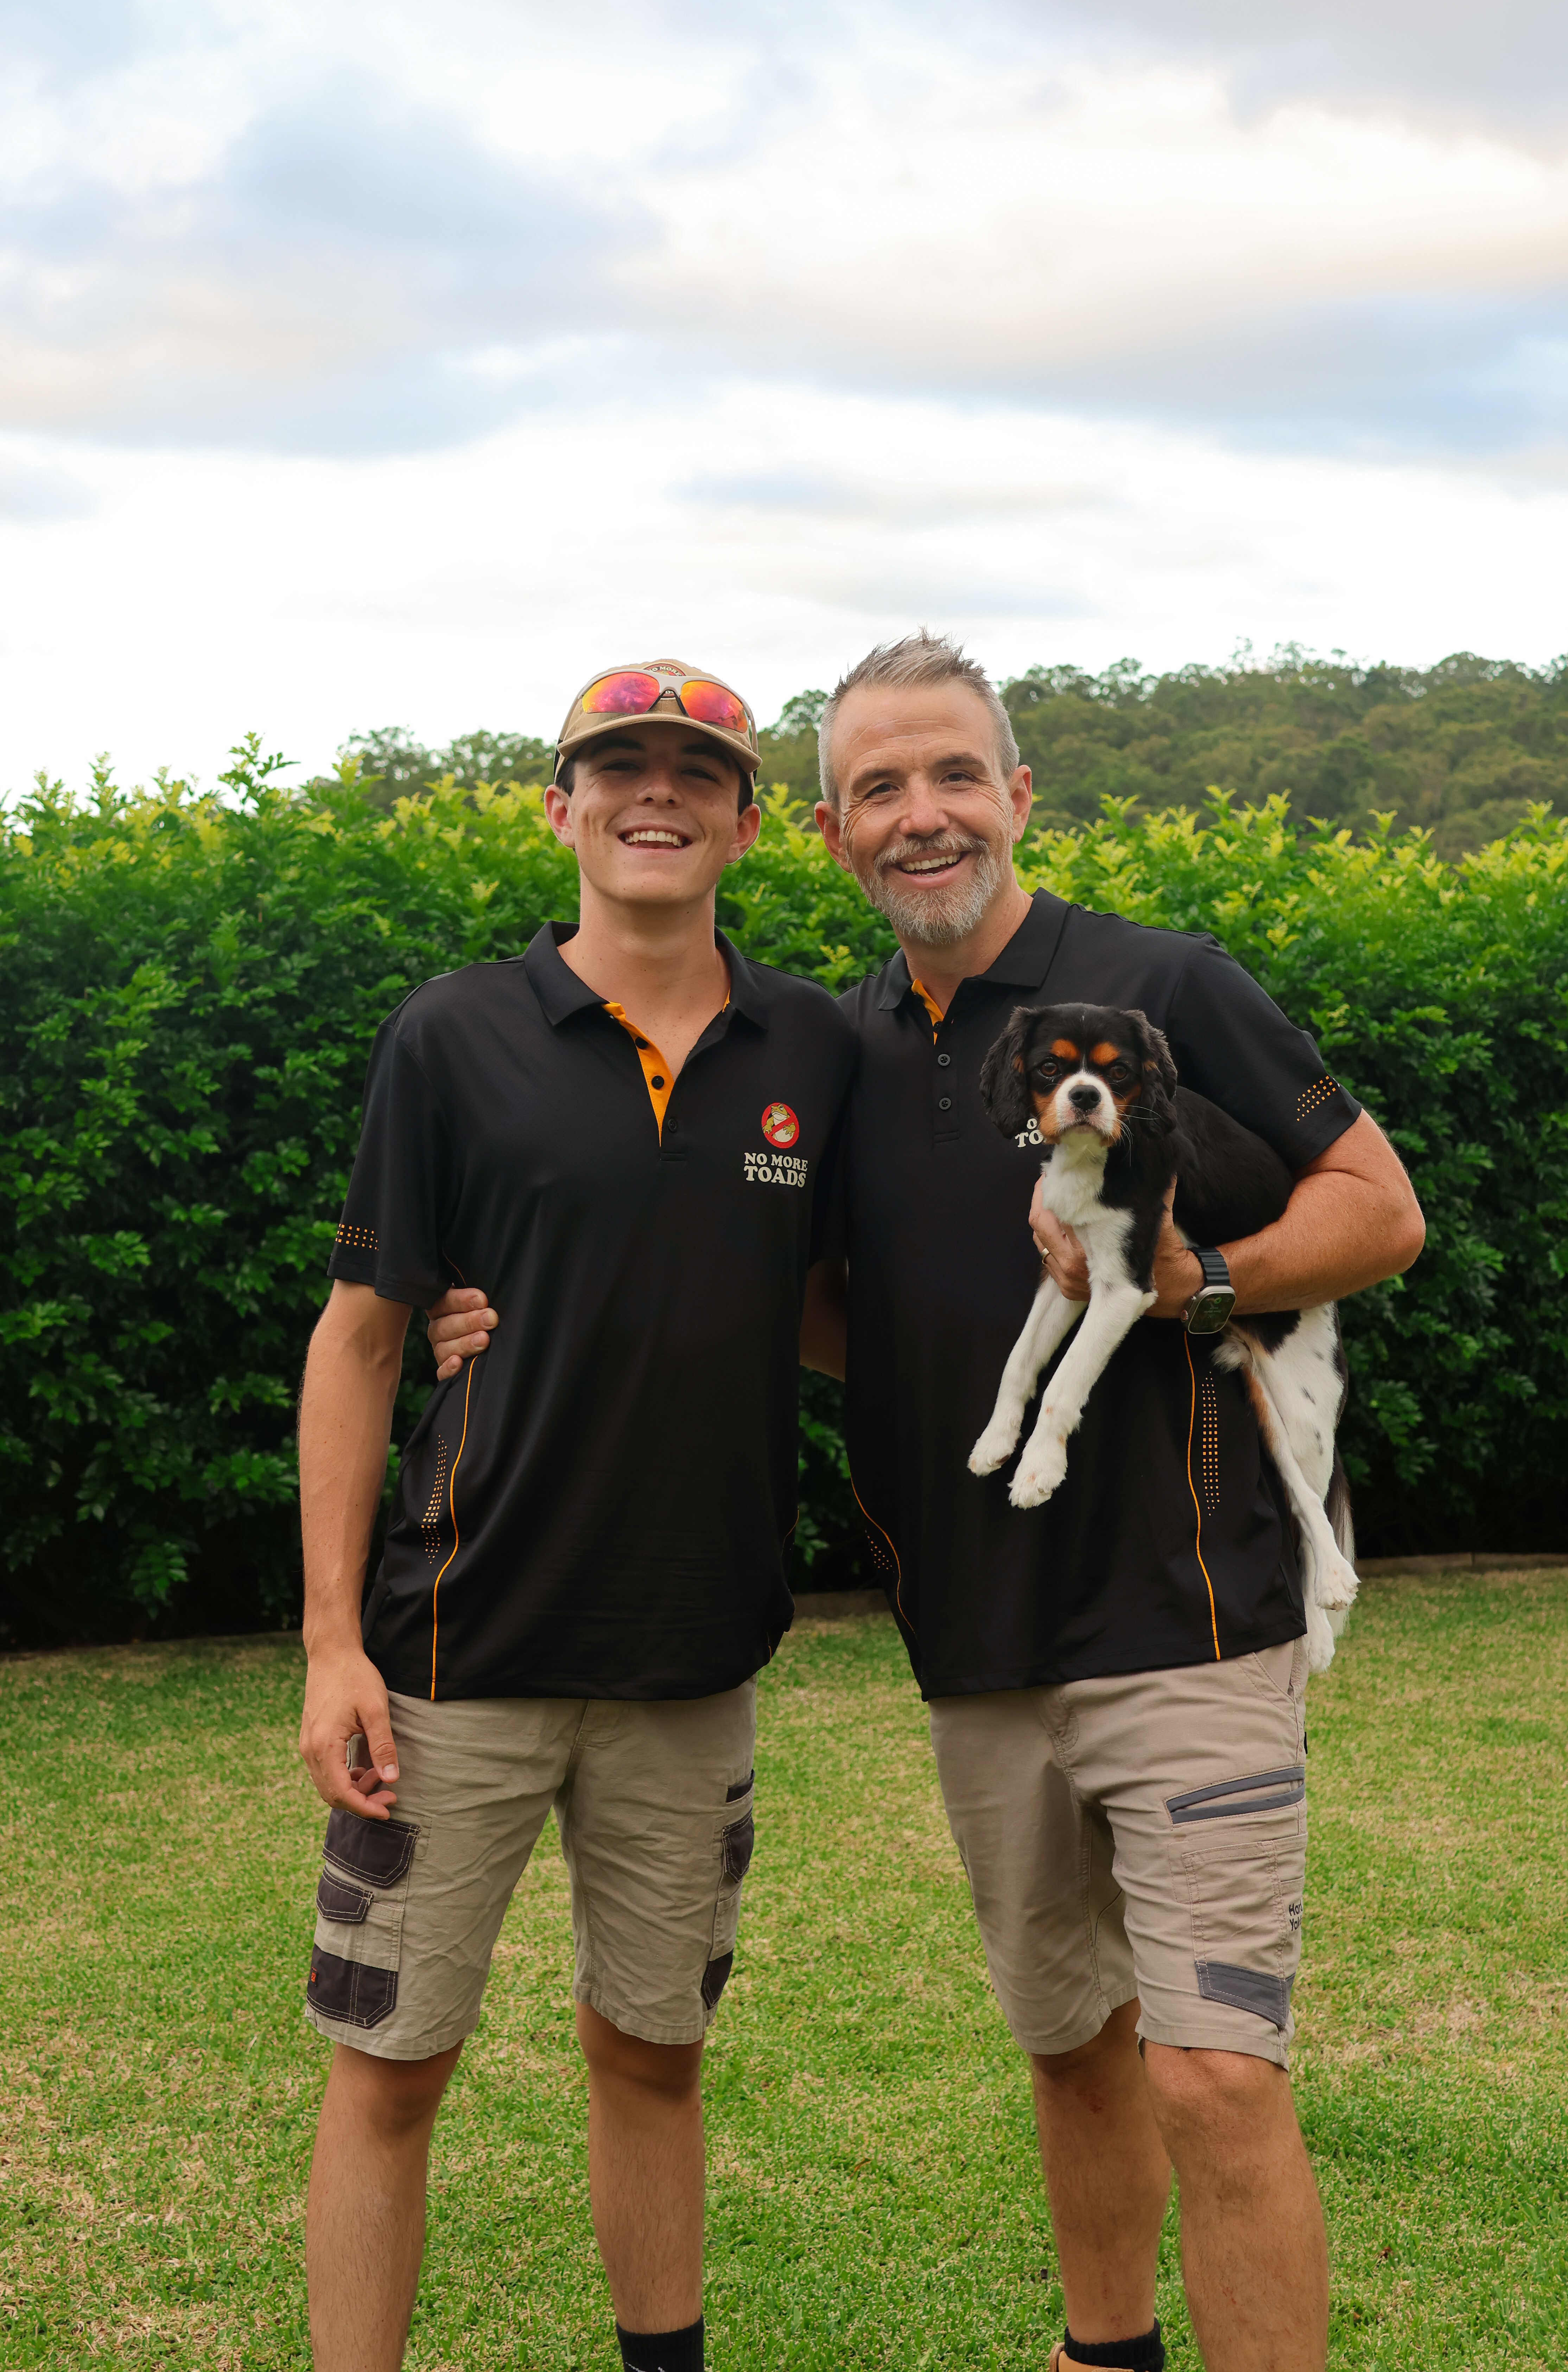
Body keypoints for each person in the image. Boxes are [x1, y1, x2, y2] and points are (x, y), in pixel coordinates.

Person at [429, 631, 1425, 2372]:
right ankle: (1100, 2351)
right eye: (877, 788)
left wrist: (1202, 1290)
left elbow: (1378, 1207)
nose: (920, 817)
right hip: (971, 1637)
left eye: (952, 775)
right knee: (1072, 2045)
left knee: (1209, 2071)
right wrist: (505, 1314)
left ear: (1016, 796)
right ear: (823, 835)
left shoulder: (1159, 981)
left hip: (1187, 1618)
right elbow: (808, 1304)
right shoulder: (838, 1048)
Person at [297, 657, 855, 2372]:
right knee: (390, 2067)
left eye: (698, 770)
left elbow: (836, 1310)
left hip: (694, 1658)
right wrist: (330, 1643)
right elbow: (365, 1332)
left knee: (656, 2053)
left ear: (748, 822)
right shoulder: (453, 1035)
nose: (656, 794)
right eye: (618, 766)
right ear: (561, 808)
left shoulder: (813, 1046)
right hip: (458, 1648)